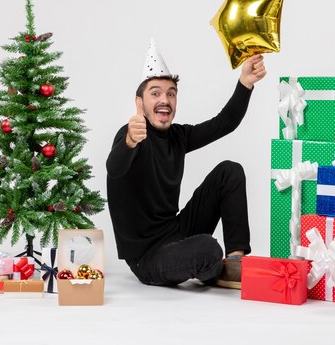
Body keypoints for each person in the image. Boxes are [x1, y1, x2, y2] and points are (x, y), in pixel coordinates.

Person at [105, 38, 266, 288]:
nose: (165, 100)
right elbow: (114, 168)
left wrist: (245, 83)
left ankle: (235, 260)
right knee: (208, 249)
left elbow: (224, 123)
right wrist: (129, 141)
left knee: (229, 171)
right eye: (155, 93)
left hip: (176, 232)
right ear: (140, 103)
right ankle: (210, 264)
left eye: (171, 94)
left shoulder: (178, 136)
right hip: (146, 257)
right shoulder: (131, 134)